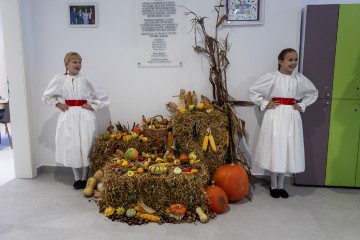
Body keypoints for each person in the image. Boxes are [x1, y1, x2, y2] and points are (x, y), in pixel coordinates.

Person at [249, 48, 318, 199]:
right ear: (280, 61)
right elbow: (254, 90)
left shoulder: (299, 79)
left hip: (291, 116)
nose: (293, 62)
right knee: (276, 148)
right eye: (290, 59)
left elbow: (313, 93)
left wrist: (302, 105)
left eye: (295, 59)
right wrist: (266, 103)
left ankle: (281, 185)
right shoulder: (272, 77)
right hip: (276, 115)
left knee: (287, 147)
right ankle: (274, 185)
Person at [42, 52, 109, 189]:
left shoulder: (86, 79)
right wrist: (58, 104)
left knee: (86, 144)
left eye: (79, 62)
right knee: (72, 145)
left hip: (84, 116)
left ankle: (85, 177)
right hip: (69, 115)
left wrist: (92, 105)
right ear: (66, 64)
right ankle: (77, 178)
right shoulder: (59, 79)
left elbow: (103, 96)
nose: (78, 65)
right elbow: (46, 96)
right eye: (74, 62)